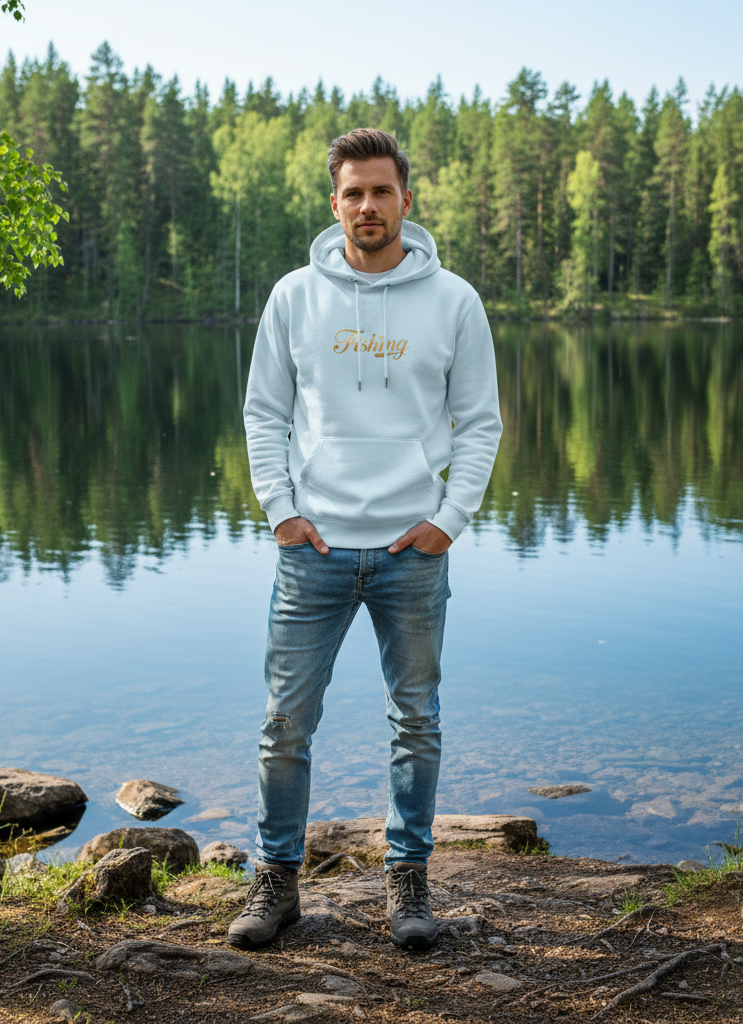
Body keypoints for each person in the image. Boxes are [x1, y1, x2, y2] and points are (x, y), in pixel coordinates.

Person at [229, 127, 501, 952]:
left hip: (408, 552)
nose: (368, 206)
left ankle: (407, 881)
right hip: (311, 550)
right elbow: (265, 414)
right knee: (285, 723)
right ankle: (277, 883)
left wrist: (447, 522)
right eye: (353, 192)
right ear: (335, 201)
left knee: (415, 719)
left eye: (382, 191)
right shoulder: (293, 296)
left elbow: (480, 423)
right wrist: (281, 511)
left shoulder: (453, 300)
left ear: (406, 201)